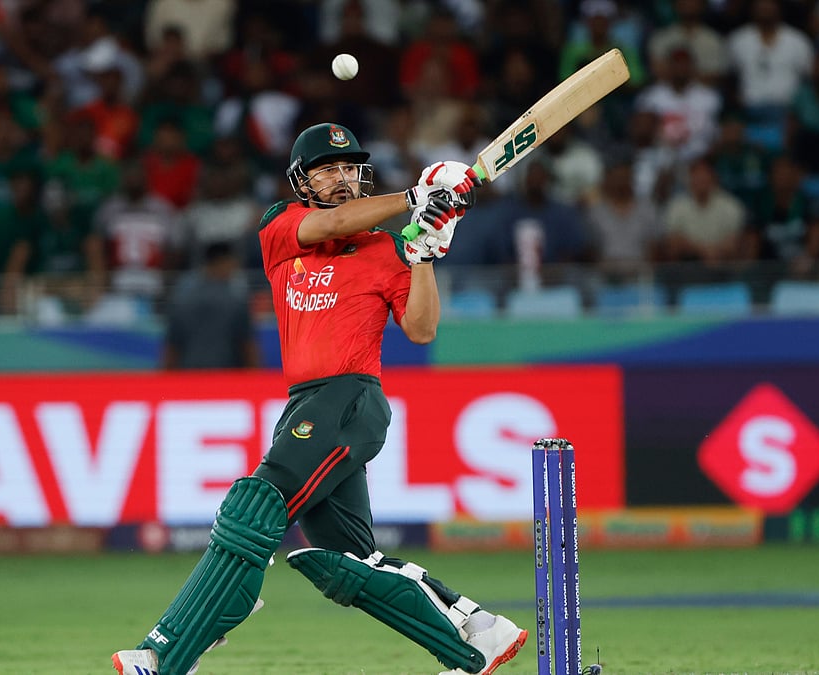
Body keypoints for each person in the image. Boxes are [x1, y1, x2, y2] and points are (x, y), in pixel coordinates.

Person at [110, 122, 527, 675]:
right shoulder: (281, 227)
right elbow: (331, 223)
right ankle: (479, 637)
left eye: (349, 169)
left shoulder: (387, 251)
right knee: (348, 563)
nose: (341, 179)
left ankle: (170, 651)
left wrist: (424, 251)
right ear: (301, 182)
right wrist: (410, 199)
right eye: (326, 169)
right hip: (308, 403)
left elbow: (422, 329)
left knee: (255, 505)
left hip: (348, 398)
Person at [162, 241, 257, 370]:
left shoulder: (182, 300)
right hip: (227, 377)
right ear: (221, 263)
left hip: (188, 376)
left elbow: (172, 350)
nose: (234, 269)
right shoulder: (236, 301)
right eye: (232, 264)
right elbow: (247, 347)